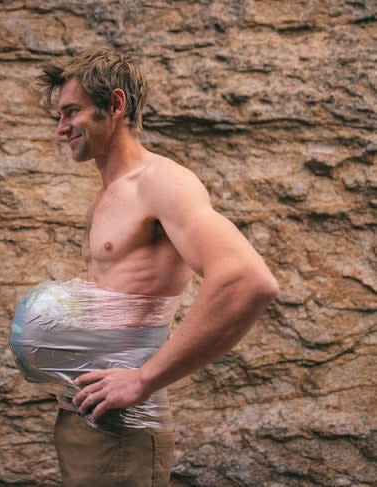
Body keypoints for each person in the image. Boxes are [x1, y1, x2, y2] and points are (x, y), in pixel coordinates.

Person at [31, 47, 279, 487]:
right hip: (86, 416)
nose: (61, 128)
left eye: (72, 112)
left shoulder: (161, 182)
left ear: (116, 105)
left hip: (125, 427)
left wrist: (143, 380)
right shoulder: (107, 195)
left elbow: (248, 281)